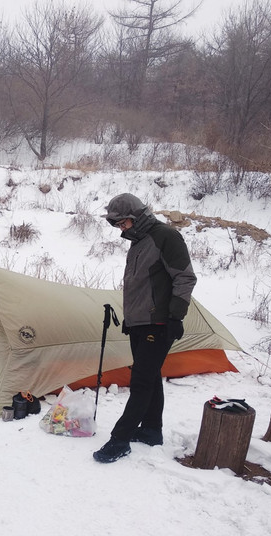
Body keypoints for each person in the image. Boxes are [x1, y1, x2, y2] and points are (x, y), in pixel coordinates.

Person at [93, 193, 197, 464]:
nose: (120, 229)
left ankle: (120, 439)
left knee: (140, 381)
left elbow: (184, 277)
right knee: (149, 377)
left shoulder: (166, 237)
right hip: (140, 323)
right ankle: (151, 430)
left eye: (122, 223)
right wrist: (130, 319)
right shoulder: (138, 242)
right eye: (116, 225)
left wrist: (176, 317)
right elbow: (140, 286)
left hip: (159, 323)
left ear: (136, 217)